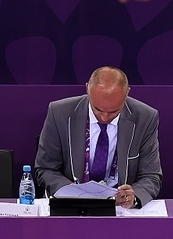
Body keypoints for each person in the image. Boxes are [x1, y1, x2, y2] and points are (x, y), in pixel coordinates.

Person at [34, 66, 162, 208]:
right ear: (87, 88)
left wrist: (134, 196)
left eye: (114, 111)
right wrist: (68, 190)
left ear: (127, 93)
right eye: (98, 109)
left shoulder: (145, 117)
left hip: (118, 207)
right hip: (72, 204)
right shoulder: (60, 113)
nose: (104, 117)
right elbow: (45, 169)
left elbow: (151, 176)